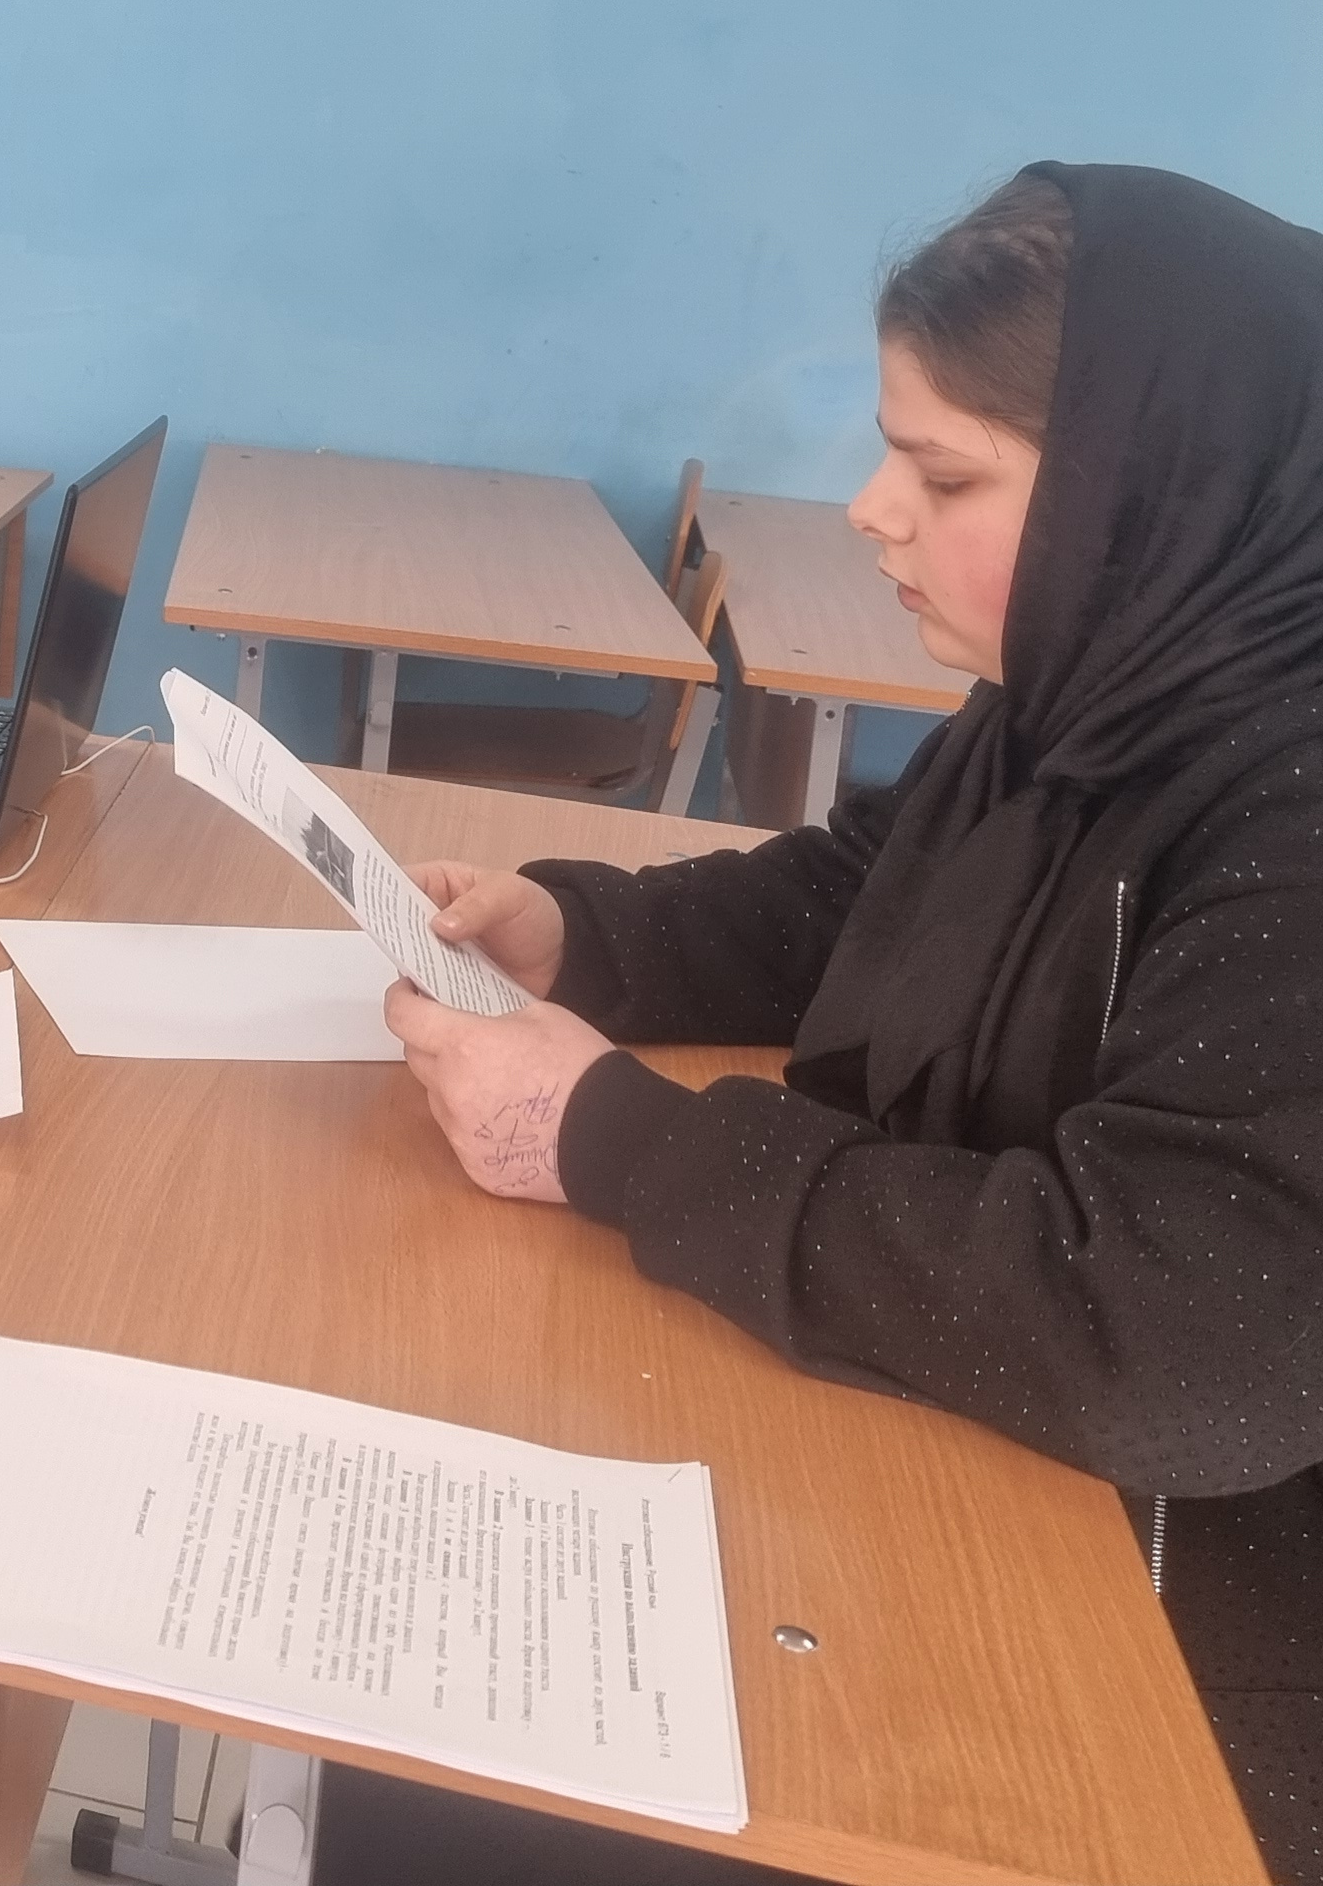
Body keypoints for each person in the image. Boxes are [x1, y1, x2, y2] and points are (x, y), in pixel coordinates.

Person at [382, 165, 1323, 1886]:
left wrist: (615, 1141)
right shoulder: (1091, 689)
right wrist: (585, 935)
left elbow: (1180, 1338)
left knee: (467, 1753)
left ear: (1149, 488)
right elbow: (852, 893)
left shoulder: (1293, 811)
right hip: (974, 1464)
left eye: (943, 474)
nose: (870, 512)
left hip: (1175, 1679)